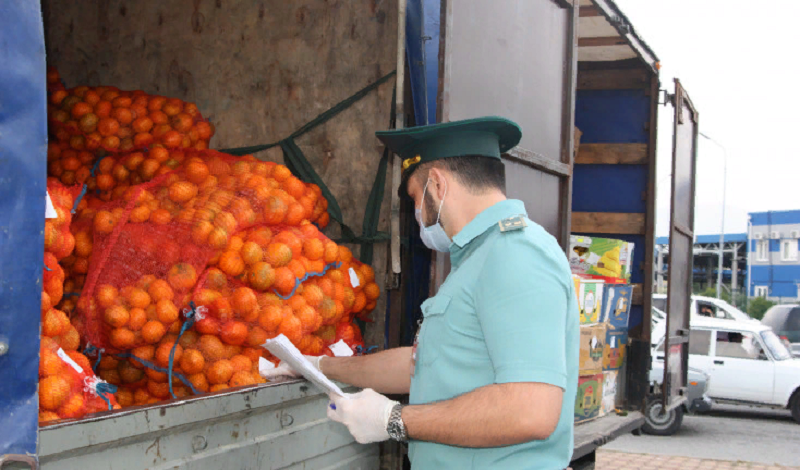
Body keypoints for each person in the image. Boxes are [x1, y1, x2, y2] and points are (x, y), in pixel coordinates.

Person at [262, 116, 579, 469]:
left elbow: (530, 411)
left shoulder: (515, 255)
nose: (416, 214)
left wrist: (394, 420)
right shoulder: (478, 257)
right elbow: (423, 367)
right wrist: (318, 366)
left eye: (415, 196)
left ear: (437, 185)